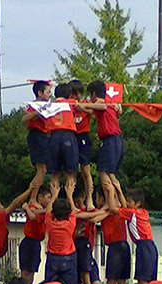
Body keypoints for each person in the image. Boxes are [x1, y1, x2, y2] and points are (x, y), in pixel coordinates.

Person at [103, 179, 158, 284]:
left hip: (143, 247)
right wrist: (119, 190)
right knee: (150, 280)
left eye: (130, 202)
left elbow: (113, 209)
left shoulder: (132, 213)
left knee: (142, 280)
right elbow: (124, 207)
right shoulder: (143, 212)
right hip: (151, 246)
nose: (127, 204)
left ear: (137, 204)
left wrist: (111, 192)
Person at [76, 80, 123, 188]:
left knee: (103, 171)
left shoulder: (101, 103)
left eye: (89, 94)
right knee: (110, 173)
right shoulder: (111, 103)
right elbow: (118, 111)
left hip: (110, 139)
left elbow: (102, 107)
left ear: (93, 94)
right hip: (117, 140)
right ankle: (117, 200)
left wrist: (84, 107)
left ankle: (110, 201)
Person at [44, 181, 79, 284]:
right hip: (68, 257)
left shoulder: (50, 224)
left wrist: (54, 195)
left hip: (53, 258)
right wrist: (69, 194)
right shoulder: (70, 224)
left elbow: (48, 211)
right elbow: (73, 210)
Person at [46, 82, 79, 190]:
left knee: (55, 173)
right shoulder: (71, 102)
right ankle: (71, 201)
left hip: (54, 137)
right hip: (68, 135)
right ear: (70, 95)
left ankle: (52, 200)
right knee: (70, 173)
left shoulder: (49, 105)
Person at [69, 79, 94, 211]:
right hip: (71, 137)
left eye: (77, 93)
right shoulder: (68, 105)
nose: (75, 97)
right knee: (72, 171)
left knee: (86, 170)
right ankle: (71, 201)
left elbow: (93, 111)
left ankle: (89, 199)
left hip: (83, 136)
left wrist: (82, 107)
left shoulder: (86, 103)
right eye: (73, 94)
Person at [22, 80, 51, 192]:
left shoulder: (47, 106)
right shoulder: (34, 105)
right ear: (40, 93)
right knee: (41, 170)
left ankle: (34, 195)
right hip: (36, 135)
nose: (49, 95)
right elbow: (24, 118)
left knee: (43, 169)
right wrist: (36, 113)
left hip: (44, 136)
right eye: (48, 92)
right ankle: (32, 196)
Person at [20, 185, 52, 284]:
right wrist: (27, 208)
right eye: (48, 197)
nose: (50, 200)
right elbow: (32, 216)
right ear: (40, 198)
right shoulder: (33, 206)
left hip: (36, 243)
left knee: (31, 274)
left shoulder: (42, 211)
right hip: (30, 242)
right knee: (27, 274)